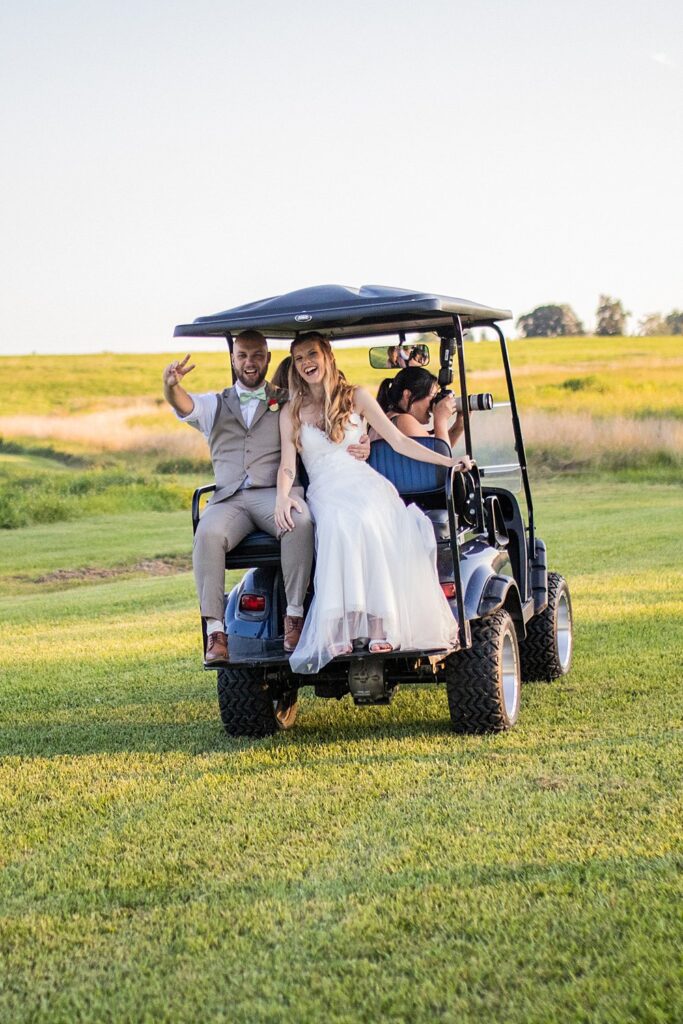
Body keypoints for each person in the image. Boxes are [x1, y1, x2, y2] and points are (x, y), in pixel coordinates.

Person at [162, 331, 370, 665]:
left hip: (274, 493)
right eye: (243, 355)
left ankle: (294, 616)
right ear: (233, 359)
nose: (249, 362)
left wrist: (365, 438)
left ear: (268, 359)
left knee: (299, 521)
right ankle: (216, 632)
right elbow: (184, 404)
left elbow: (331, 412)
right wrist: (171, 386)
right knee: (208, 533)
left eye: (257, 355)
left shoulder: (287, 400)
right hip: (230, 499)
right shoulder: (215, 404)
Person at [274, 332, 472, 674]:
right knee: (337, 522)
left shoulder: (357, 397)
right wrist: (281, 496)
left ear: (327, 357)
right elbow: (288, 465)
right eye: (299, 358)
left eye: (312, 354)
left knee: (371, 516)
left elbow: (398, 440)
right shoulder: (291, 412)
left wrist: (448, 462)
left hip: (363, 482)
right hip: (326, 488)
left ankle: (382, 627)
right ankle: (341, 628)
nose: (307, 363)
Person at [374, 366, 466, 447]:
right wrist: (440, 419)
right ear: (408, 395)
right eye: (432, 396)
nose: (434, 403)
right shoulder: (403, 420)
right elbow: (441, 460)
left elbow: (436, 451)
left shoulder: (385, 419)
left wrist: (459, 426)